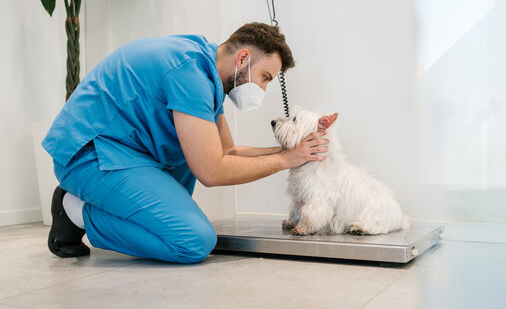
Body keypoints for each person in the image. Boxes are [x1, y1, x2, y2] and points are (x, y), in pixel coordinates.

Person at [42, 22, 329, 264]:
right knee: (192, 240)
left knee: (183, 180)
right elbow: (211, 171)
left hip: (123, 152)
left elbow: (228, 152)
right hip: (87, 154)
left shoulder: (205, 71)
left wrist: (289, 151)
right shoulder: (189, 75)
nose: (264, 89)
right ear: (243, 58)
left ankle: (92, 203)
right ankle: (75, 210)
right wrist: (285, 161)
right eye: (265, 78)